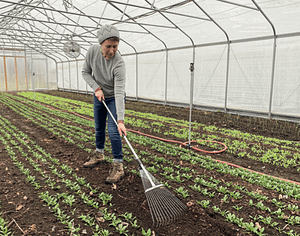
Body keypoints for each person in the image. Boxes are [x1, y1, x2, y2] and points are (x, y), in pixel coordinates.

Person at [82, 24, 127, 184]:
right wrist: (97, 88)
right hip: (99, 95)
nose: (112, 51)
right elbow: (85, 72)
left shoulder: (119, 63)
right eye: (108, 46)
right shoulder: (92, 52)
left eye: (115, 46)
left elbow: (120, 91)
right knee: (99, 126)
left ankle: (118, 165)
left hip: (114, 97)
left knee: (114, 131)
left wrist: (120, 120)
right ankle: (99, 153)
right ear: (101, 44)